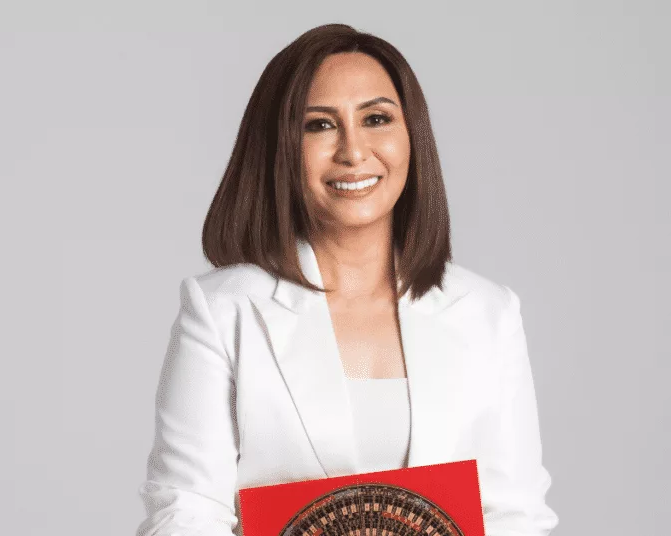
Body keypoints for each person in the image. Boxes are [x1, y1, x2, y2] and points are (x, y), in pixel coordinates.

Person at [136, 23, 558, 536]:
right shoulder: (223, 311)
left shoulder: (489, 312)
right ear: (280, 149)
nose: (353, 152)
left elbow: (516, 517)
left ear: (412, 136)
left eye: (376, 119)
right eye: (319, 126)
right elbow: (185, 510)